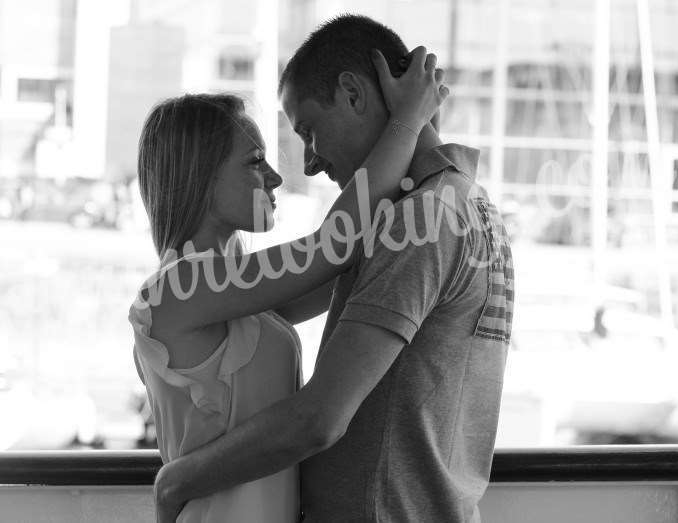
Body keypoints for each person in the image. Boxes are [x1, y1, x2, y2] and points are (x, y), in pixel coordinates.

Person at [153, 14, 515, 523]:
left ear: (352, 93)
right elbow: (315, 264)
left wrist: (175, 482)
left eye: (309, 131)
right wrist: (410, 125)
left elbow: (320, 417)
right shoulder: (467, 205)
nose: (305, 166)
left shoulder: (419, 220)